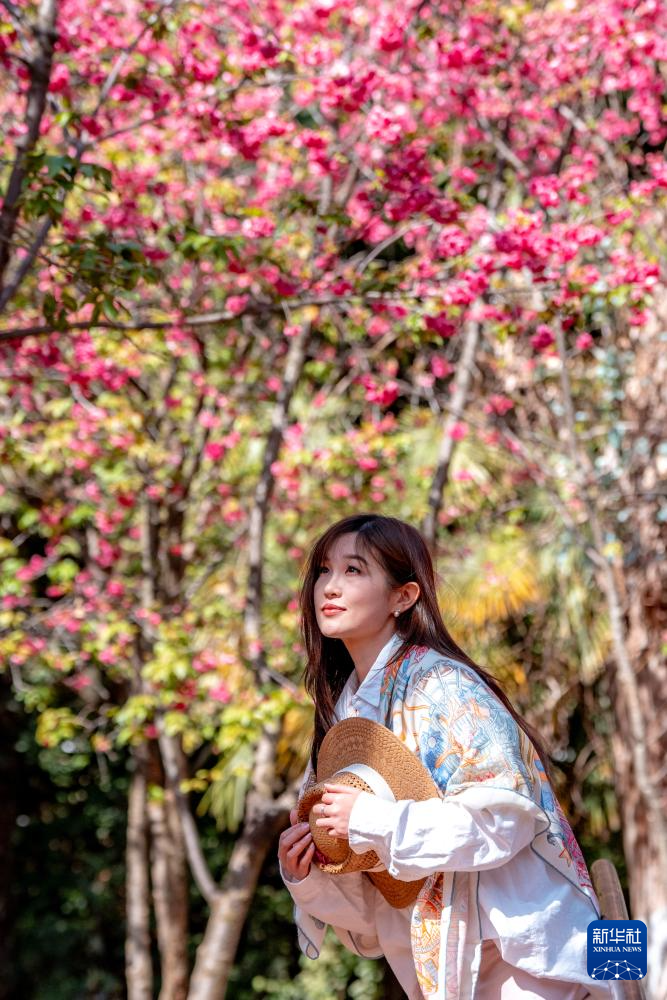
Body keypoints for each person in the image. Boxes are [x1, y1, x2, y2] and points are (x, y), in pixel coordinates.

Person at [278, 514, 611, 999]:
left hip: (521, 959)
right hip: (443, 971)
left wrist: (369, 819)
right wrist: (307, 872)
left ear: (403, 596)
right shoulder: (340, 714)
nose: (329, 586)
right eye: (324, 570)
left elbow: (505, 818)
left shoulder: (444, 685)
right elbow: (378, 908)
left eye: (353, 570)